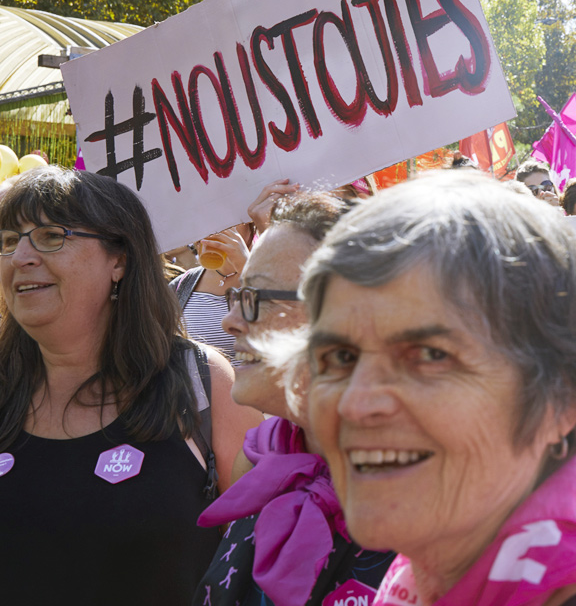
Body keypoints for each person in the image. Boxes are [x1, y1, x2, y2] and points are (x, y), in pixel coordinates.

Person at [298, 171, 576, 606]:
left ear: (557, 391)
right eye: (339, 357)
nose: (355, 402)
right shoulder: (423, 558)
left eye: (429, 356)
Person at [0, 167, 263, 606]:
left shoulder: (203, 384)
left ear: (119, 259)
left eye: (51, 236)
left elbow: (260, 554)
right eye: (8, 240)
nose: (20, 256)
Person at [193, 191, 395, 606]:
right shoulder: (264, 460)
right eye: (235, 296)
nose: (229, 321)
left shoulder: (446, 499)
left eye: (254, 299)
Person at [172, 225, 254, 362]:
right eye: (209, 219)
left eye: (229, 221)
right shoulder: (180, 285)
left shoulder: (276, 277)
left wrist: (247, 268)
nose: (217, 228)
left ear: (251, 223)